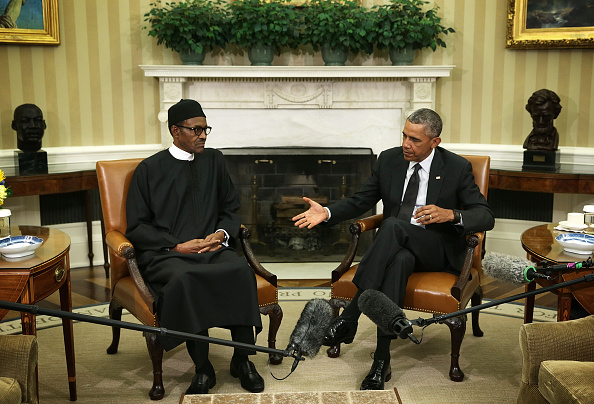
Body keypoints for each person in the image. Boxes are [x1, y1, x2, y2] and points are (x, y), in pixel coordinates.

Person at [292, 108, 495, 390]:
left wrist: (450, 214)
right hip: (397, 248)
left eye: (415, 140)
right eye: (404, 135)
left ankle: (350, 316)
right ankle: (381, 362)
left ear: (434, 142)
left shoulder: (456, 167)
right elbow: (361, 199)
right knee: (397, 259)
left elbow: (485, 216)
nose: (406, 144)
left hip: (436, 248)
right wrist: (327, 212)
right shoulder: (389, 159)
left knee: (391, 227)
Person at [125, 99, 265, 396]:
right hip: (168, 255)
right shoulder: (148, 170)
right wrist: (177, 245)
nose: (203, 135)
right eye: (196, 129)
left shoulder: (214, 161)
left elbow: (231, 208)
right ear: (176, 131)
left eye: (205, 129)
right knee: (185, 280)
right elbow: (137, 226)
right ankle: (203, 368)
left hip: (211, 249)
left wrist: (220, 233)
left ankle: (242, 360)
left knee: (239, 270)